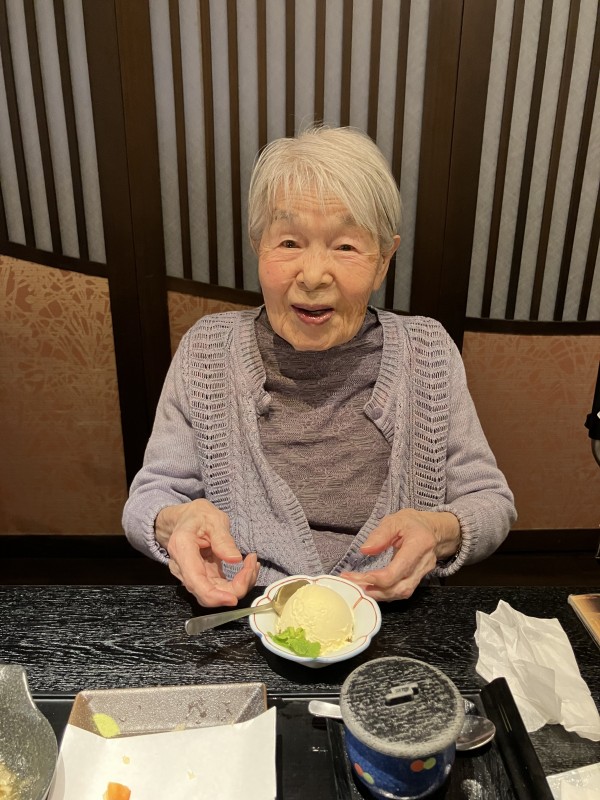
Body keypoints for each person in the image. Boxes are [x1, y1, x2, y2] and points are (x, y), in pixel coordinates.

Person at [122, 126, 516, 607]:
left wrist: (438, 531)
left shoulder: (428, 352)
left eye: (345, 247)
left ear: (383, 260)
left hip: (393, 614)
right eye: (289, 242)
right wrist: (175, 522)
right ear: (258, 245)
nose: (312, 276)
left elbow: (491, 501)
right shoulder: (207, 351)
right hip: (244, 612)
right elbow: (151, 495)